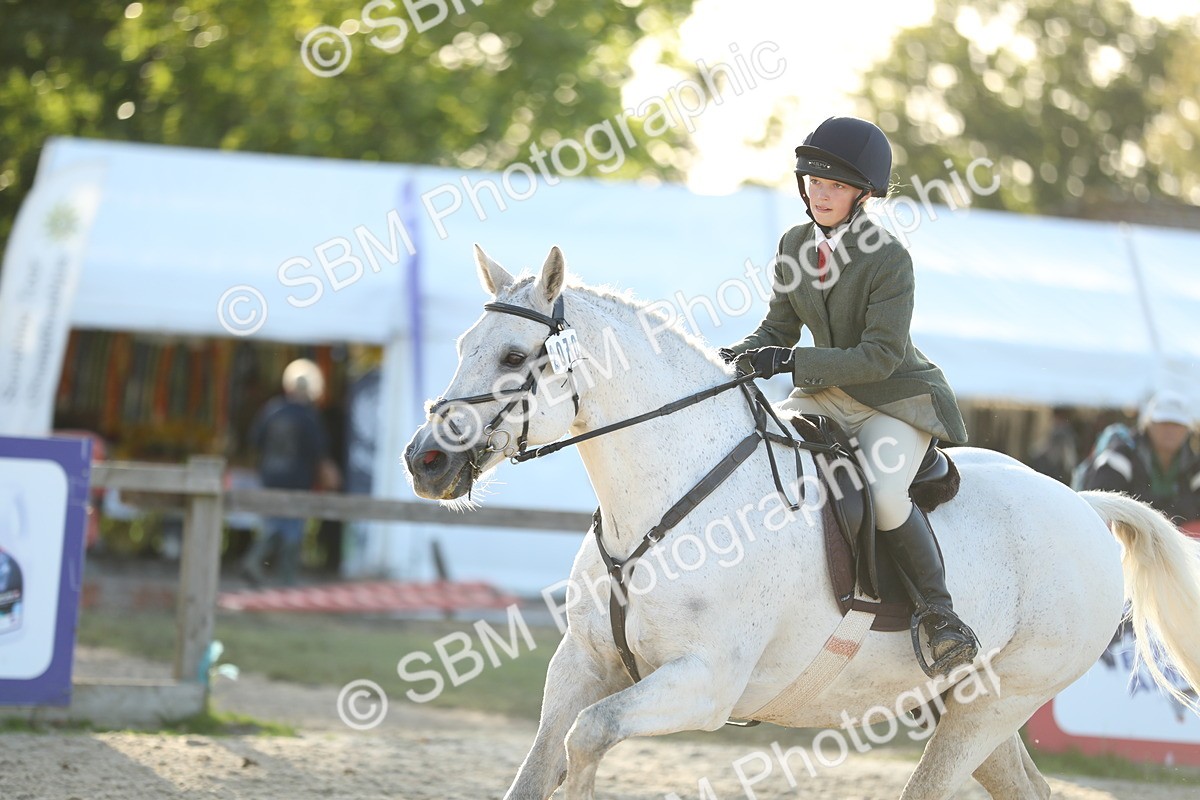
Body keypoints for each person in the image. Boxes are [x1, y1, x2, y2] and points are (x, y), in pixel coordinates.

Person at [720, 116, 975, 675]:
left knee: (884, 494)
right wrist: (734, 356)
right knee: (765, 455)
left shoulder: (888, 257)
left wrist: (789, 362)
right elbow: (777, 330)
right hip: (825, 393)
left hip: (893, 398)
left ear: (862, 194)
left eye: (834, 185)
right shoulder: (793, 243)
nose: (821, 194)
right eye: (813, 182)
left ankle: (940, 615)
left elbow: (879, 357)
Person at [241, 358, 341, 586]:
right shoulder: (309, 416)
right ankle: (286, 578)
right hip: (297, 479)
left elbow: (255, 440)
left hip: (270, 476)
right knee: (292, 528)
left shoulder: (272, 409)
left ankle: (255, 562)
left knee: (273, 522)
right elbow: (319, 451)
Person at [1080, 389, 1199, 526]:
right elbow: (1102, 504)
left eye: (1177, 425)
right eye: (1164, 422)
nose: (1170, 430)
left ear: (1187, 429)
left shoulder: (1194, 466)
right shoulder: (1120, 455)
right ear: (1149, 424)